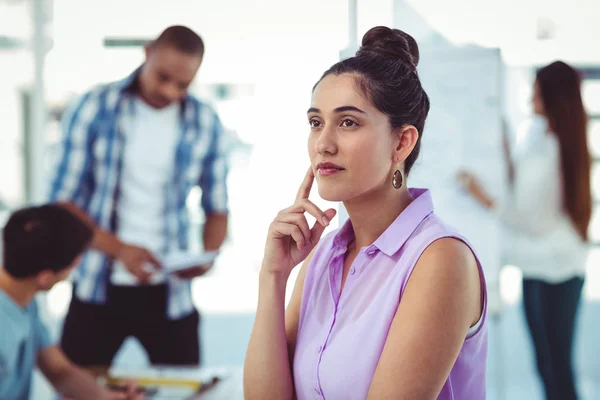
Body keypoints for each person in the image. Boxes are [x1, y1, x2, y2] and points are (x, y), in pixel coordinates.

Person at [244, 26, 488, 399]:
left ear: (402, 142)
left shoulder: (440, 259)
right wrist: (272, 276)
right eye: (315, 123)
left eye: (348, 122)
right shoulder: (321, 259)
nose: (323, 144)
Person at [47, 25, 229, 368]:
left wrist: (206, 255)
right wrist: (122, 251)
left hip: (171, 294)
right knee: (78, 389)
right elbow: (62, 202)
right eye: (163, 77)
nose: (171, 91)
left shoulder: (205, 121)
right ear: (147, 53)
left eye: (183, 84)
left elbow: (217, 208)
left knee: (187, 392)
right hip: (96, 288)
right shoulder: (94, 106)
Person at [458, 61, 591, 400]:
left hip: (559, 269)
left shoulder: (559, 147)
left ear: (552, 94)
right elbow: (521, 186)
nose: (531, 93)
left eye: (537, 87)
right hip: (535, 266)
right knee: (546, 365)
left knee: (557, 365)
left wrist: (484, 200)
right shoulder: (536, 134)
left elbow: (535, 221)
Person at [0, 205, 143, 400]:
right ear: (45, 277)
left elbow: (59, 369)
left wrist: (105, 396)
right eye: (71, 267)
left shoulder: (24, 301)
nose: (71, 272)